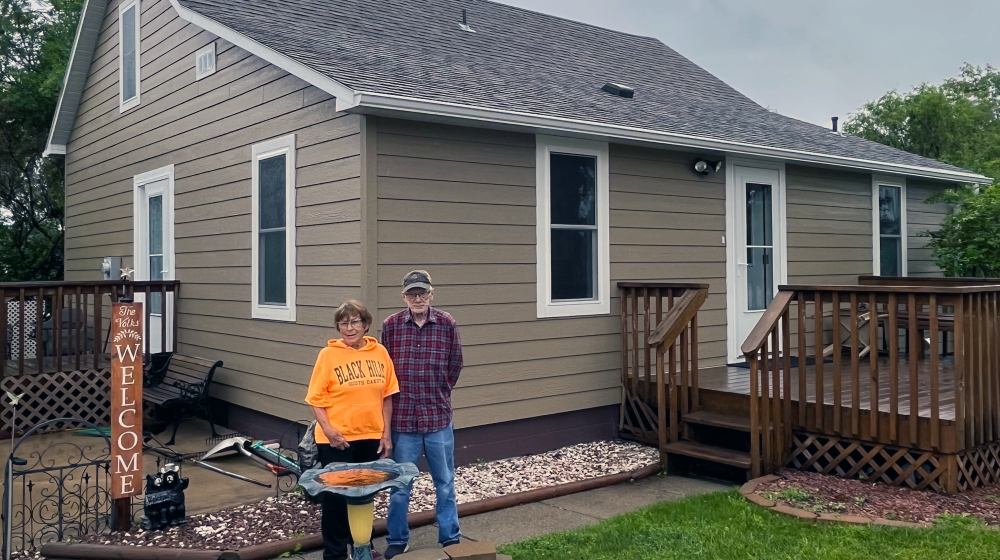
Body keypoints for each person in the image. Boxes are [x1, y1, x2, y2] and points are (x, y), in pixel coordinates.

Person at [305, 300, 398, 560]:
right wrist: (330, 431)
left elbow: (387, 396)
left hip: (371, 437)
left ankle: (362, 548)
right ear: (338, 327)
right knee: (336, 500)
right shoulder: (328, 355)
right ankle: (334, 554)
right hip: (337, 440)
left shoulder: (380, 352)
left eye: (355, 322)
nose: (349, 328)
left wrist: (386, 434)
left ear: (366, 325)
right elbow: (315, 399)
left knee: (364, 498)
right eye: (343, 323)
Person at [382, 270, 463, 559]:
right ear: (403, 296)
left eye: (423, 293)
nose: (418, 298)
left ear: (432, 294)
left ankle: (450, 537)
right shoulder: (390, 326)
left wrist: (439, 391)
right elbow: (385, 372)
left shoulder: (446, 323)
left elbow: (456, 364)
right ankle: (397, 538)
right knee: (401, 485)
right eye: (412, 293)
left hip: (438, 419)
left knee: (444, 482)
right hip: (404, 422)